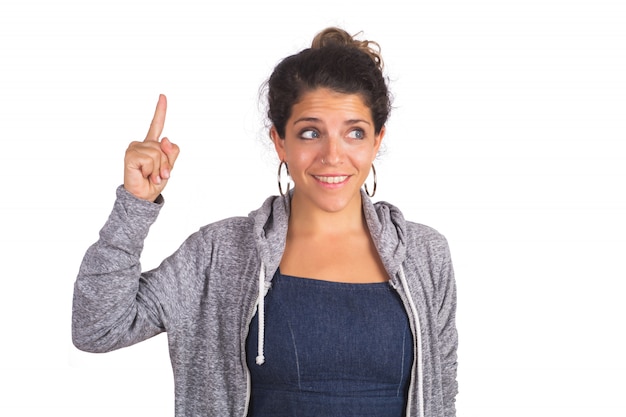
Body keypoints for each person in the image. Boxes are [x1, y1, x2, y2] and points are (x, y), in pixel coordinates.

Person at [72, 27, 458, 417]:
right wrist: (135, 205)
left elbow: (440, 395)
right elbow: (98, 327)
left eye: (354, 133)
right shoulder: (220, 253)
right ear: (279, 141)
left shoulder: (425, 255)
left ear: (377, 140)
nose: (333, 155)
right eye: (310, 133)